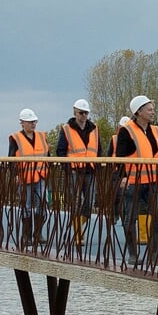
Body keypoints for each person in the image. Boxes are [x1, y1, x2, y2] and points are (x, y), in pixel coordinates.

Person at [114, 95, 158, 265]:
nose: (153, 112)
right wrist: (122, 177)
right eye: (149, 109)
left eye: (152, 109)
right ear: (139, 112)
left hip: (152, 181)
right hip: (133, 182)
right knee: (130, 218)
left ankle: (153, 255)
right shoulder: (126, 130)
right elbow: (119, 156)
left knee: (157, 215)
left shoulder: (155, 130)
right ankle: (133, 254)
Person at [56, 99, 100, 246]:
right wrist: (67, 168)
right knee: (76, 202)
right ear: (75, 112)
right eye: (81, 113)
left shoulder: (94, 129)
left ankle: (78, 226)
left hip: (90, 171)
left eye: (86, 113)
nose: (84, 115)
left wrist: (97, 168)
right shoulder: (67, 129)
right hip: (74, 171)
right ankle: (77, 235)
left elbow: (98, 150)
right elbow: (61, 151)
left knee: (89, 203)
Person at [9, 109, 50, 245]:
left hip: (41, 175)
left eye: (34, 122)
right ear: (22, 123)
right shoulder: (16, 138)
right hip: (24, 176)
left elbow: (48, 156)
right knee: (26, 206)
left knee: (42, 204)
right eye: (30, 122)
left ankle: (38, 233)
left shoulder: (42, 137)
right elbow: (11, 159)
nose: (33, 124)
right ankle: (26, 236)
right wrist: (14, 175)